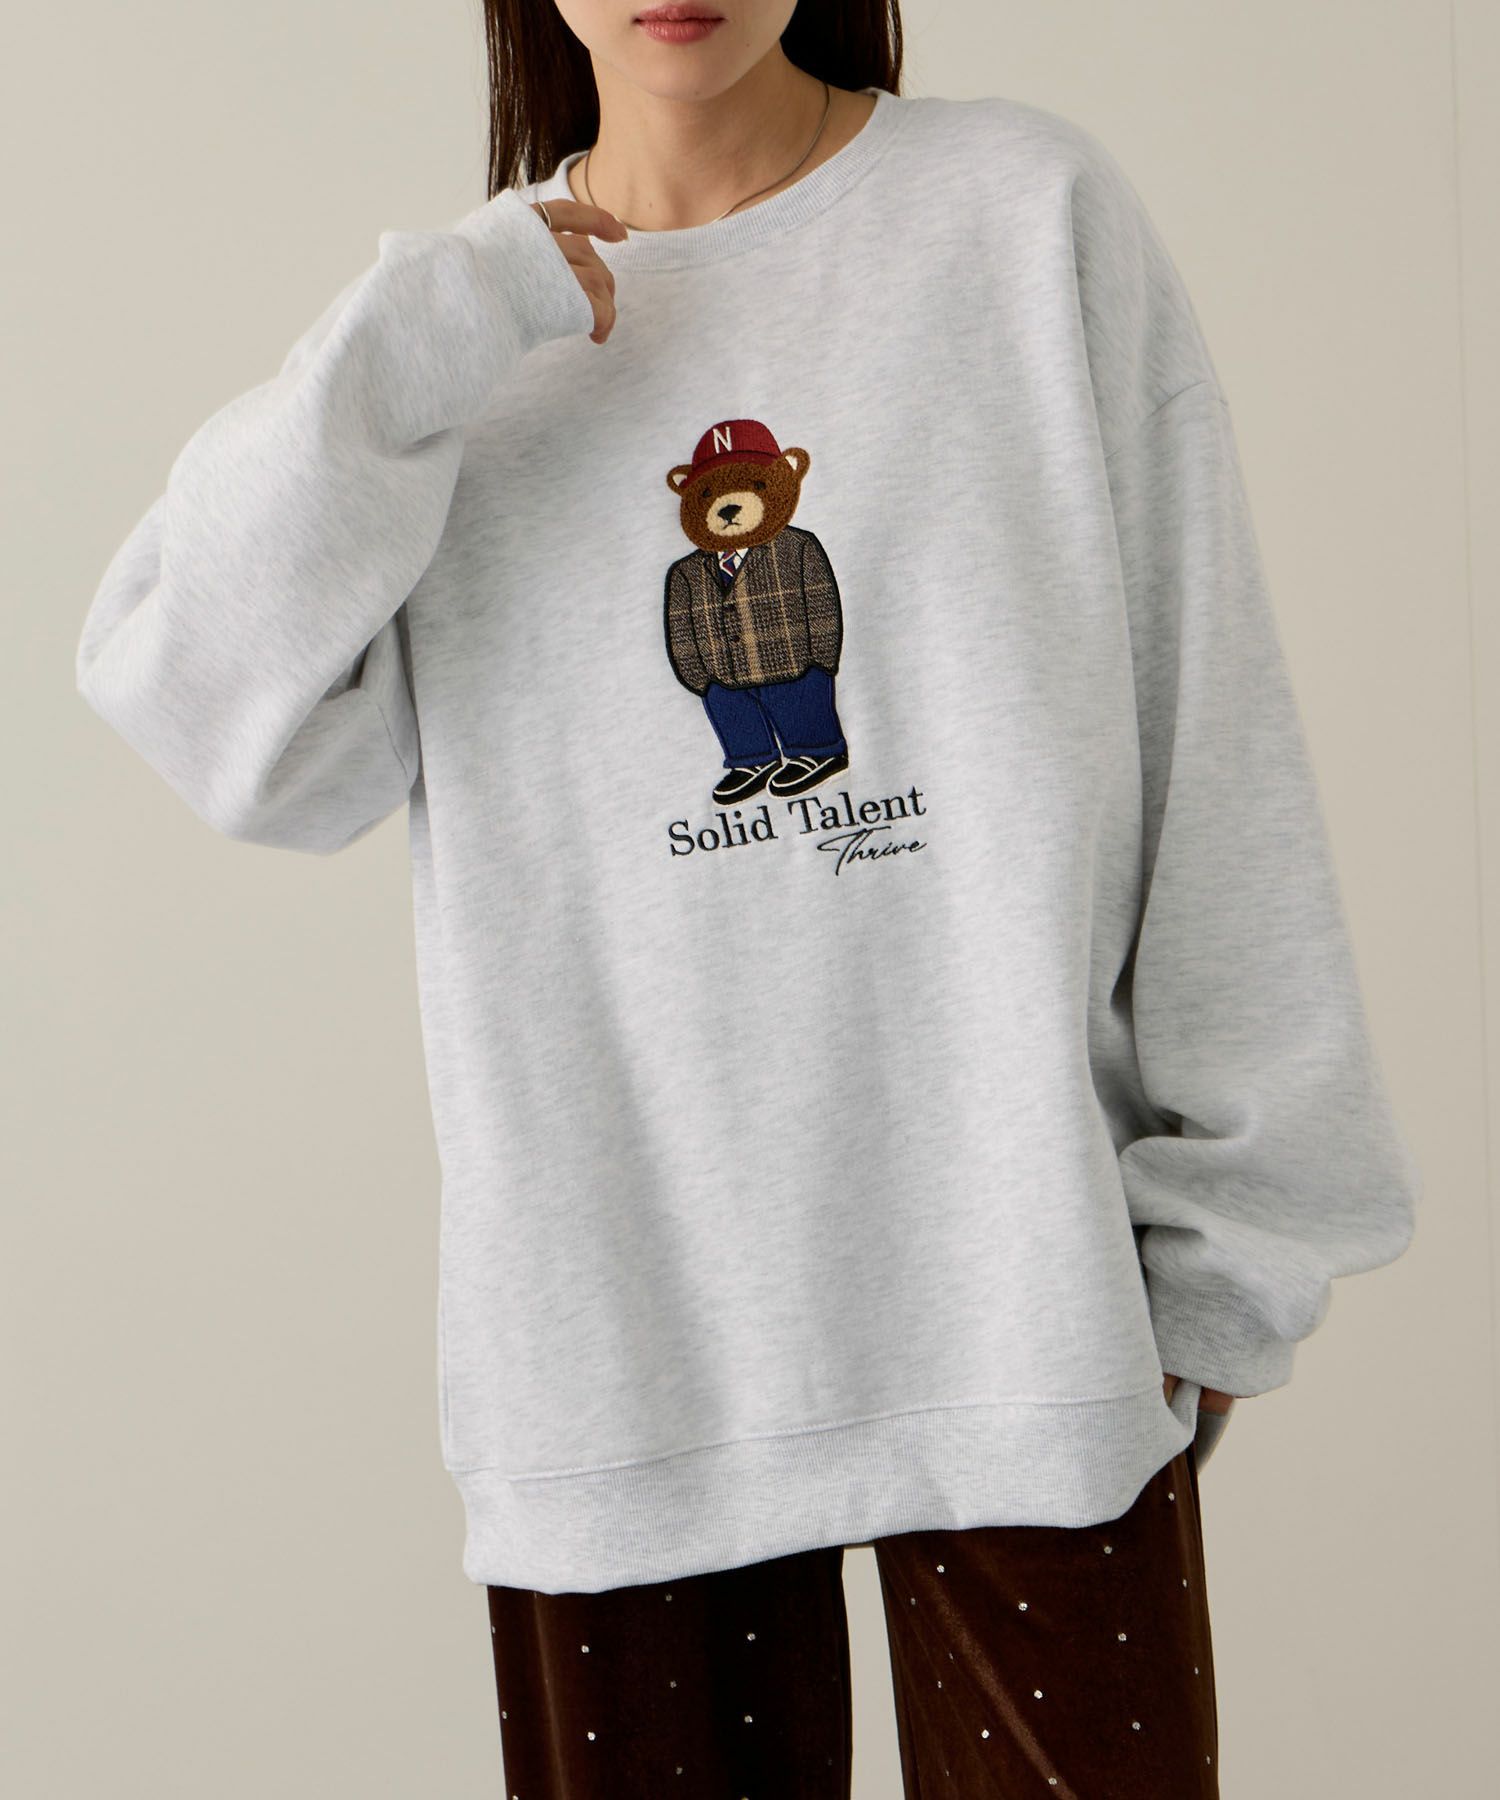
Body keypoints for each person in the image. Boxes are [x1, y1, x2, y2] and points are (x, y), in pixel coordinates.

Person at [73, 2, 1421, 1793]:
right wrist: (414, 339)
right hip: (617, 1351)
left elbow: (1209, 718)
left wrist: (1240, 1238)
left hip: (1022, 1300)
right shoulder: (461, 345)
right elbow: (207, 717)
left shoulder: (1023, 220)